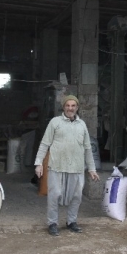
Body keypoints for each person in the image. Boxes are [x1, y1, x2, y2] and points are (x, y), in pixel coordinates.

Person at [34, 95, 99, 236]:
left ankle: (71, 221)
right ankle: (52, 223)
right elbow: (45, 143)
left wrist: (92, 168)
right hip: (57, 165)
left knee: (76, 196)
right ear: (63, 107)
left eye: (73, 106)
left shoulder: (82, 125)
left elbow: (87, 148)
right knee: (54, 194)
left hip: (76, 167)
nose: (70, 108)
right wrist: (38, 163)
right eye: (68, 105)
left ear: (77, 107)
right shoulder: (55, 122)